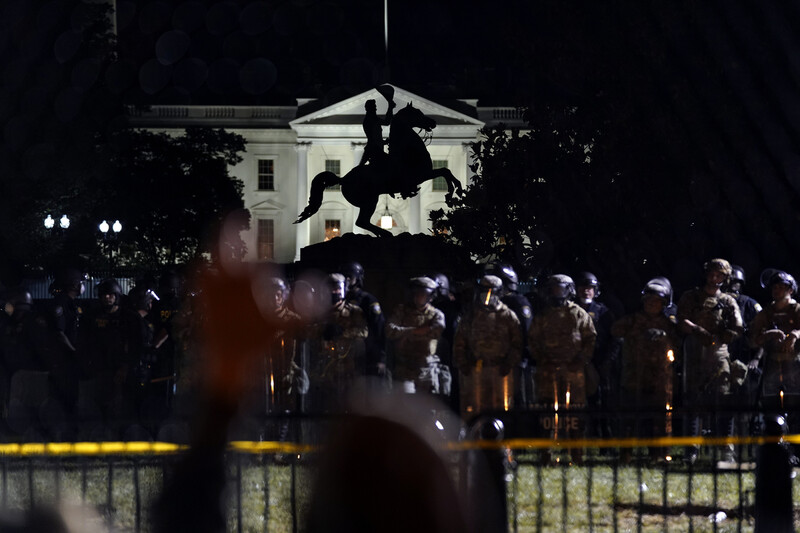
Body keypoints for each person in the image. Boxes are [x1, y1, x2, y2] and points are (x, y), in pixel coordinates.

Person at [677, 258, 743, 464]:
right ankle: (692, 449)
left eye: (719, 275)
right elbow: (681, 320)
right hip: (695, 351)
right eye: (712, 274)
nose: (714, 278)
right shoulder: (691, 297)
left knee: (724, 399)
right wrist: (697, 329)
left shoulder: (728, 300)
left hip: (718, 353)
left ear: (725, 278)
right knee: (694, 401)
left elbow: (738, 326)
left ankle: (726, 447)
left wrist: (728, 334)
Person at [528, 274, 596, 463]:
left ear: (569, 290)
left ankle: (576, 455)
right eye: (553, 288)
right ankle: (546, 454)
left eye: (560, 288)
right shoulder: (542, 316)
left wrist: (581, 360)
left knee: (575, 415)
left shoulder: (578, 314)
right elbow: (532, 341)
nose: (556, 292)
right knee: (547, 415)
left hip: (574, 373)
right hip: (547, 372)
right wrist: (542, 359)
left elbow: (590, 339)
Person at [611, 278, 679, 462]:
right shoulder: (633, 320)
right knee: (629, 419)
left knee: (660, 419)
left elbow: (678, 346)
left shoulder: (669, 325)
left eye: (656, 301)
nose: (652, 305)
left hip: (660, 380)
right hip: (634, 377)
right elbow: (615, 330)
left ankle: (660, 454)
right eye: (649, 301)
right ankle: (626, 454)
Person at [454, 275, 521, 420]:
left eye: (491, 291)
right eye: (485, 291)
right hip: (476, 371)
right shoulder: (471, 315)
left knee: (502, 411)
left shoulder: (508, 316)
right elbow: (459, 342)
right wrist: (464, 364)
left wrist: (509, 364)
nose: (488, 295)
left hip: (501, 372)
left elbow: (517, 344)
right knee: (475, 411)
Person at [307, 274, 367, 413]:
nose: (334, 292)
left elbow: (364, 331)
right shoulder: (318, 312)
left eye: (337, 289)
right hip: (322, 369)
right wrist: (322, 329)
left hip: (347, 369)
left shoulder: (354, 312)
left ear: (344, 290)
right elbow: (305, 332)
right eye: (330, 289)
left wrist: (344, 332)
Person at [749, 270, 800, 427]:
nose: (776, 290)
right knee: (771, 408)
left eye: (781, 287)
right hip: (772, 365)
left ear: (790, 290)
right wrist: (768, 335)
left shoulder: (797, 309)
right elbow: (752, 340)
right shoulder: (766, 313)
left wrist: (794, 334)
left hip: (794, 365)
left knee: (795, 408)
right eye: (774, 287)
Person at [574, 271, 617, 440]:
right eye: (583, 287)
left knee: (602, 404)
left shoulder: (603, 312)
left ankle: (604, 438)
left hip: (598, 364)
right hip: (575, 364)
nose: (586, 291)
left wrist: (607, 362)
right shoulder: (570, 310)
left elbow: (614, 339)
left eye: (590, 288)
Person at [385, 277, 446, 395]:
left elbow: (436, 331)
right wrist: (415, 331)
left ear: (430, 296)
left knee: (426, 404)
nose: (420, 297)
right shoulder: (401, 311)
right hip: (405, 366)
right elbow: (389, 330)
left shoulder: (436, 314)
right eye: (418, 293)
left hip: (426, 367)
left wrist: (406, 334)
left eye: (424, 294)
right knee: (405, 403)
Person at [493, 264, 534, 409]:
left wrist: (520, 357)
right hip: (497, 361)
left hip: (516, 362)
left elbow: (526, 332)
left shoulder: (518, 302)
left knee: (519, 402)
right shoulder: (492, 303)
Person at [340, 261, 386, 381]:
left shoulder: (367, 300)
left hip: (365, 354)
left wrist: (380, 359)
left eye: (350, 276)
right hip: (342, 355)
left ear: (358, 278)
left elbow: (379, 329)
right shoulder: (340, 300)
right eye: (345, 276)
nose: (347, 280)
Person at [359, 85, 396, 168]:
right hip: (374, 150)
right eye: (374, 108)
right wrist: (390, 107)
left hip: (376, 149)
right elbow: (386, 122)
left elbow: (386, 122)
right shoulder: (371, 120)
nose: (376, 109)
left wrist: (390, 107)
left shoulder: (372, 119)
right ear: (369, 109)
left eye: (375, 107)